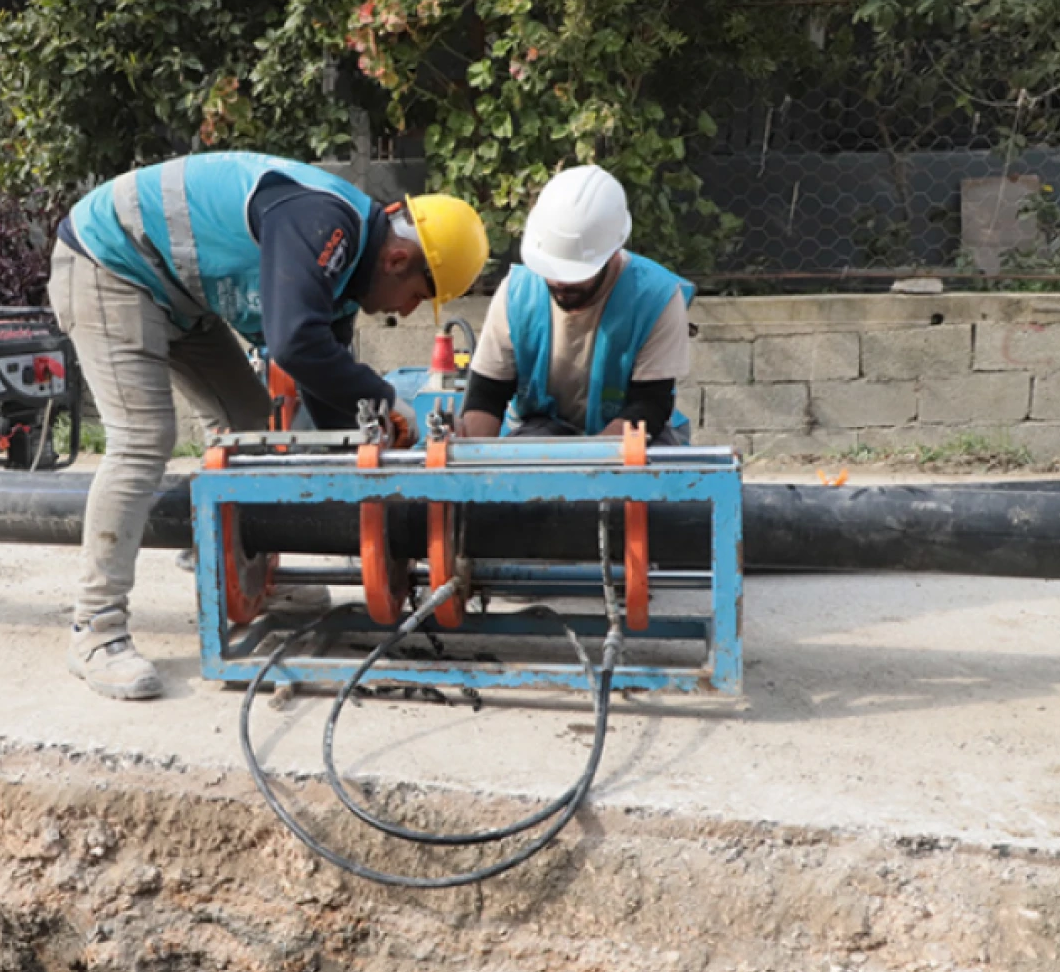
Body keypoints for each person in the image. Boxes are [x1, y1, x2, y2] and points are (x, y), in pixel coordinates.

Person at [49, 151, 490, 700]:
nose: (399, 312)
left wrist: (394, 470)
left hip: (175, 292)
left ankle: (260, 575)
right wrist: (385, 398)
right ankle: (96, 629)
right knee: (144, 437)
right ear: (398, 259)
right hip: (109, 262)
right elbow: (295, 344)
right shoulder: (323, 222)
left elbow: (331, 410)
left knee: (253, 427)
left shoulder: (344, 266)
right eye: (417, 296)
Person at [458, 164, 695, 444]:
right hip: (542, 426)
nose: (560, 284)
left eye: (575, 276)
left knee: (654, 477)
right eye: (552, 272)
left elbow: (650, 404)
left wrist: (589, 467)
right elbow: (487, 394)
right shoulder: (517, 293)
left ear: (611, 253)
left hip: (633, 433)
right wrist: (470, 462)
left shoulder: (656, 299)